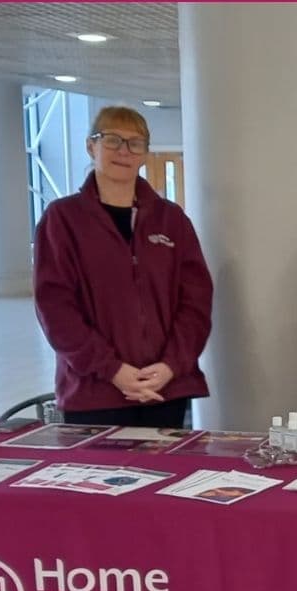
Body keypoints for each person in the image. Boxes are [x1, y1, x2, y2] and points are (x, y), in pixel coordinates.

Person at [33, 106, 213, 428]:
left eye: (135, 143)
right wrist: (112, 369)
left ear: (145, 153)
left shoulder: (171, 220)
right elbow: (55, 308)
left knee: (167, 476)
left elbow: (196, 302)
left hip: (163, 389)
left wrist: (171, 366)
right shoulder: (63, 220)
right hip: (95, 391)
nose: (124, 151)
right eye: (112, 140)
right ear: (91, 146)